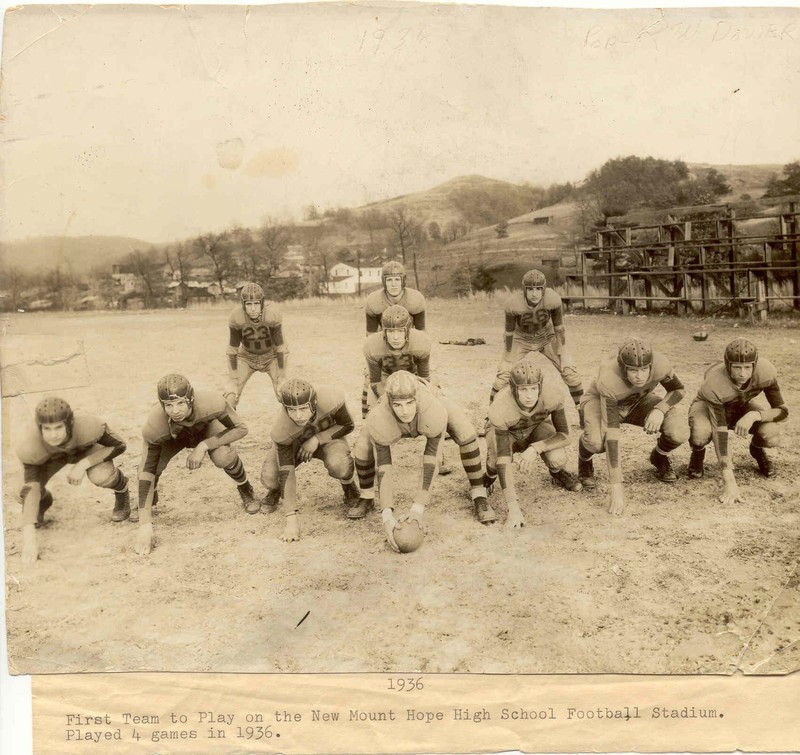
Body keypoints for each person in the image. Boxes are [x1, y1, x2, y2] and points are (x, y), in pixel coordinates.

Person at [351, 371, 495, 544]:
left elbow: (432, 460)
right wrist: (387, 514)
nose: (405, 411)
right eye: (398, 404)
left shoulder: (432, 407)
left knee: (466, 433)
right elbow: (384, 467)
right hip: (388, 417)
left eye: (409, 403)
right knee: (362, 445)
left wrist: (418, 508)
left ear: (416, 399)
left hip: (431, 405)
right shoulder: (380, 414)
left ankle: (479, 494)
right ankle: (366, 496)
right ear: (389, 402)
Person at [134, 374, 255, 556]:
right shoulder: (155, 425)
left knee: (223, 456)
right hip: (173, 437)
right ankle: (151, 500)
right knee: (150, 469)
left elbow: (241, 428)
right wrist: (145, 526)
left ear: (191, 398)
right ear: (162, 405)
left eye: (181, 403)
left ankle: (245, 487)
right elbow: (147, 471)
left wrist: (204, 445)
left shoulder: (211, 402)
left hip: (205, 430)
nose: (175, 410)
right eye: (169, 405)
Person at [578, 338, 689, 516]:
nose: (640, 376)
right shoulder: (609, 379)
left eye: (644, 369)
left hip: (638, 401)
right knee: (596, 442)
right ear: (623, 368)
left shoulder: (660, 363)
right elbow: (612, 434)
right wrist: (616, 488)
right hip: (600, 402)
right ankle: (584, 460)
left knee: (679, 431)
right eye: (633, 370)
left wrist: (660, 409)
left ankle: (659, 456)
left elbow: (678, 390)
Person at [15, 396, 130, 566]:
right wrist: (29, 539)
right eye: (47, 428)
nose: (53, 435)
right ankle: (44, 501)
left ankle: (122, 491)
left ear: (69, 424)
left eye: (58, 427)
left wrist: (84, 464)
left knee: (102, 475)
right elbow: (30, 487)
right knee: (20, 492)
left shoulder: (89, 427)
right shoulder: (31, 445)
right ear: (40, 429)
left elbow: (119, 445)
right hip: (51, 457)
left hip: (84, 450)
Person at [485, 359, 582, 529]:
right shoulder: (501, 405)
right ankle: (489, 477)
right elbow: (504, 460)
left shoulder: (552, 394)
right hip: (508, 434)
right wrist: (513, 508)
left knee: (557, 457)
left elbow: (565, 435)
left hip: (535, 429)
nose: (529, 395)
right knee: (496, 462)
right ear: (514, 389)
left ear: (540, 386)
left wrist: (535, 448)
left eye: (533, 388)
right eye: (523, 389)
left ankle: (557, 473)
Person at [688, 338, 788, 503]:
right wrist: (729, 481)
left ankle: (756, 449)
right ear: (728, 365)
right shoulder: (714, 383)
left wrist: (754, 415)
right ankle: (697, 454)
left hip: (741, 407)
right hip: (708, 408)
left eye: (748, 367)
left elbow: (782, 411)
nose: (742, 373)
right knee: (700, 433)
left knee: (772, 434)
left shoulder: (766, 371)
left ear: (754, 365)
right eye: (737, 367)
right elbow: (719, 432)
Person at [260, 378, 360, 541]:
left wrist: (317, 439)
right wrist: (291, 520)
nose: (298, 415)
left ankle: (348, 486)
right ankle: (276, 491)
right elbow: (288, 472)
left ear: (313, 403)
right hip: (294, 444)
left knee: (340, 465)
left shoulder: (330, 398)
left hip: (326, 439)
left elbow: (347, 425)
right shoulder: (281, 428)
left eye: (303, 408)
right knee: (271, 478)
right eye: (292, 409)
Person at [490, 269, 583, 422]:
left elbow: (559, 328)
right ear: (524, 290)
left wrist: (563, 352)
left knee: (570, 371)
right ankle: (491, 415)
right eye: (530, 289)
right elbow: (509, 333)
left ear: (544, 289)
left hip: (547, 336)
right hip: (521, 338)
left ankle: (582, 410)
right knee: (503, 375)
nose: (534, 293)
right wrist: (507, 356)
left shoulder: (552, 299)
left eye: (538, 289)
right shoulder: (513, 303)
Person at [361, 261, 426, 418]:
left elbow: (421, 333)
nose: (393, 284)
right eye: (389, 280)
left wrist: (412, 355)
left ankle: (433, 415)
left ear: (403, 280)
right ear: (384, 281)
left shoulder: (416, 299)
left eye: (397, 279)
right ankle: (368, 419)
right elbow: (371, 335)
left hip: (409, 344)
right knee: (369, 378)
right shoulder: (374, 301)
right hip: (383, 344)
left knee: (428, 378)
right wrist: (381, 356)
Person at [224, 282, 288, 408]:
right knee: (230, 395)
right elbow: (232, 350)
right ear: (243, 304)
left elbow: (281, 348)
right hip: (246, 357)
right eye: (249, 304)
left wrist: (281, 377)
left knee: (284, 393)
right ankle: (229, 427)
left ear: (262, 303)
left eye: (256, 303)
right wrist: (233, 380)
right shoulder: (236, 317)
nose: (253, 308)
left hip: (271, 356)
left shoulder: (272, 315)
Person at [363, 304, 432, 411]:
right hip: (385, 375)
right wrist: (389, 401)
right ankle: (368, 420)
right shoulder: (372, 345)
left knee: (433, 395)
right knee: (369, 389)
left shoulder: (421, 342)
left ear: (408, 330)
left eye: (400, 331)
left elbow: (425, 378)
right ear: (384, 332)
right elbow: (375, 382)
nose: (395, 337)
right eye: (390, 331)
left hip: (414, 375)